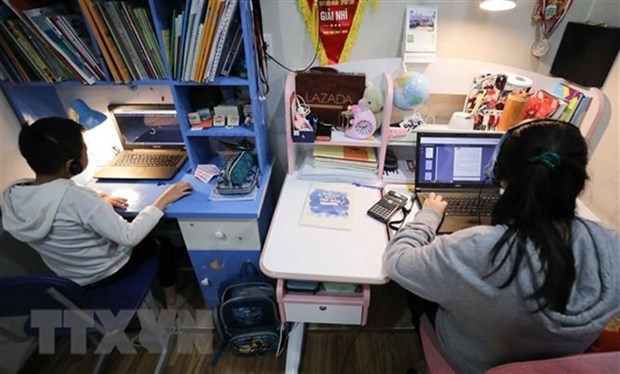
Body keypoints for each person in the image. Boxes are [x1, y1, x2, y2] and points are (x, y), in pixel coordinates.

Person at [383, 119, 620, 373]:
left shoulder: (476, 248)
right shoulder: (611, 245)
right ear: (577, 178)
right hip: (554, 364)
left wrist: (429, 216)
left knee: (412, 288)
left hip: (469, 361)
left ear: (500, 174)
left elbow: (396, 261)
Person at [2, 117, 194, 309]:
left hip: (72, 279)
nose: (87, 152)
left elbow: (59, 200)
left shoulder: (15, 194)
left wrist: (96, 198)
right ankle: (173, 300)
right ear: (73, 165)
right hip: (106, 273)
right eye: (85, 149)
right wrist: (165, 198)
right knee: (161, 243)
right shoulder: (77, 199)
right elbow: (129, 236)